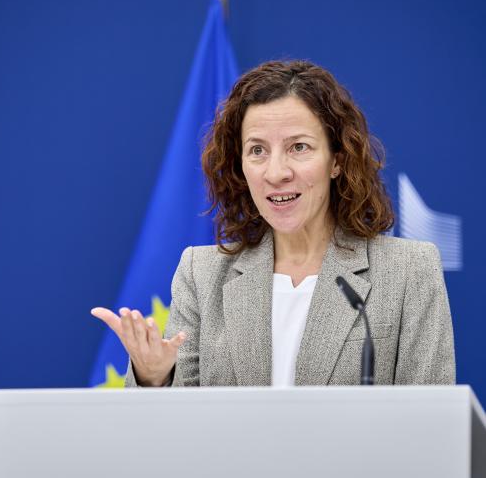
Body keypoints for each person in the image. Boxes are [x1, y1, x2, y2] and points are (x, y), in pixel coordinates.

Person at [91, 60, 455, 387]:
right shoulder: (201, 274)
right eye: (257, 150)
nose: (276, 172)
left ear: (336, 161)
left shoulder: (409, 271)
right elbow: (173, 428)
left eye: (298, 147)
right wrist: (155, 378)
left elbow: (431, 421)